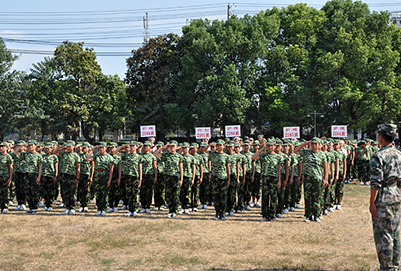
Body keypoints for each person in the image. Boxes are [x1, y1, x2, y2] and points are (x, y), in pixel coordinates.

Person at [370, 124, 401, 271]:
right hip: (396, 196)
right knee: (395, 233)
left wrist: (372, 203)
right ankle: (395, 265)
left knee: (384, 236)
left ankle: (387, 267)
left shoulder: (378, 155)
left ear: (381, 136)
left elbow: (376, 183)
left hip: (383, 198)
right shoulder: (399, 154)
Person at [294, 137, 328, 222]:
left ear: (319, 145)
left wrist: (325, 179)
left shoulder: (322, 154)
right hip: (307, 178)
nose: (314, 145)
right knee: (308, 197)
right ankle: (308, 215)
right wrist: (306, 143)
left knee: (317, 197)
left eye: (315, 144)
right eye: (312, 144)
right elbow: (295, 150)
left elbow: (325, 168)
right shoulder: (306, 152)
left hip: (318, 178)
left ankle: (316, 215)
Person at [154, 141, 183, 218]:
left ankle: (175, 211)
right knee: (168, 195)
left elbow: (181, 168)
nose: (172, 148)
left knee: (176, 195)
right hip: (167, 177)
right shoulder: (166, 155)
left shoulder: (179, 156)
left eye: (174, 146)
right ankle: (170, 211)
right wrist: (162, 148)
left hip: (176, 177)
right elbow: (155, 154)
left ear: (176, 147)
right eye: (171, 146)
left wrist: (181, 179)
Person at [86, 142, 114, 216]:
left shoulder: (109, 157)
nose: (101, 149)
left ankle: (104, 209)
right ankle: (99, 209)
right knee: (98, 193)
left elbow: (111, 169)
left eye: (103, 147)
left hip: (105, 175)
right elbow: (88, 158)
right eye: (100, 148)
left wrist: (109, 180)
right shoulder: (96, 156)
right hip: (97, 176)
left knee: (104, 193)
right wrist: (91, 150)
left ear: (105, 148)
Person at [54, 140, 81, 215]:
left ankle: (72, 208)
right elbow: (55, 153)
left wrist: (77, 178)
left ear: (73, 146)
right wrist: (60, 147)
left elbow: (78, 168)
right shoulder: (63, 153)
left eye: (70, 146)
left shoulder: (76, 156)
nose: (68, 147)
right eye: (67, 146)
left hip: (72, 175)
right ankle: (67, 207)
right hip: (63, 175)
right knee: (64, 192)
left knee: (72, 192)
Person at [208, 139, 230, 220]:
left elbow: (228, 168)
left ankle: (222, 213)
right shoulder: (212, 154)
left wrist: (229, 179)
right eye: (217, 145)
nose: (219, 146)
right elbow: (203, 151)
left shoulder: (226, 156)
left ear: (224, 146)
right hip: (214, 177)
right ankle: (217, 213)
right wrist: (209, 145)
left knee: (223, 196)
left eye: (221, 145)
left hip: (223, 178)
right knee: (215, 196)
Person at [40, 143, 59, 211]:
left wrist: (55, 176)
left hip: (51, 175)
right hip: (44, 175)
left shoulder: (54, 157)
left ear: (52, 149)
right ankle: (46, 205)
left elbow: (56, 167)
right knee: (44, 191)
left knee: (51, 191)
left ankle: (50, 205)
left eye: (49, 148)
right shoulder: (42, 156)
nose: (47, 150)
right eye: (46, 148)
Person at [0, 142, 13, 213]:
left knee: (5, 192)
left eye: (3, 146)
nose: (1, 148)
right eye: (0, 146)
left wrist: (10, 177)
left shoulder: (8, 156)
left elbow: (10, 167)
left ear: (7, 148)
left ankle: (5, 206)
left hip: (5, 176)